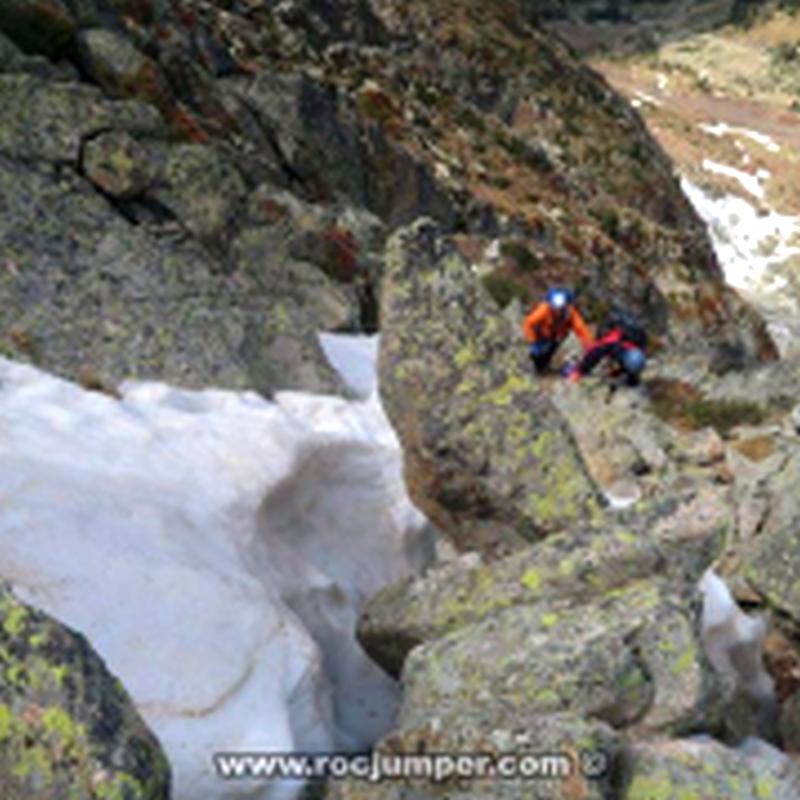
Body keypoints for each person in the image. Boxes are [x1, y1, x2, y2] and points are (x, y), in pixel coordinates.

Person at [566, 307, 647, 386]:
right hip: (613, 328)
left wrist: (621, 373)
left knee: (630, 373)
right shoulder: (613, 342)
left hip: (630, 334)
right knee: (596, 346)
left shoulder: (641, 346)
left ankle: (629, 376)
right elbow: (594, 353)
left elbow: (634, 365)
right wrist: (580, 372)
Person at [522, 288, 593, 372]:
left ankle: (542, 366)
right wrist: (532, 341)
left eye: (560, 308)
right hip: (540, 336)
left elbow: (581, 330)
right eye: (555, 308)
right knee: (535, 356)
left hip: (556, 338)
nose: (557, 310)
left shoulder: (571, 314)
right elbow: (528, 323)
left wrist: (590, 347)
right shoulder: (545, 309)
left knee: (545, 358)